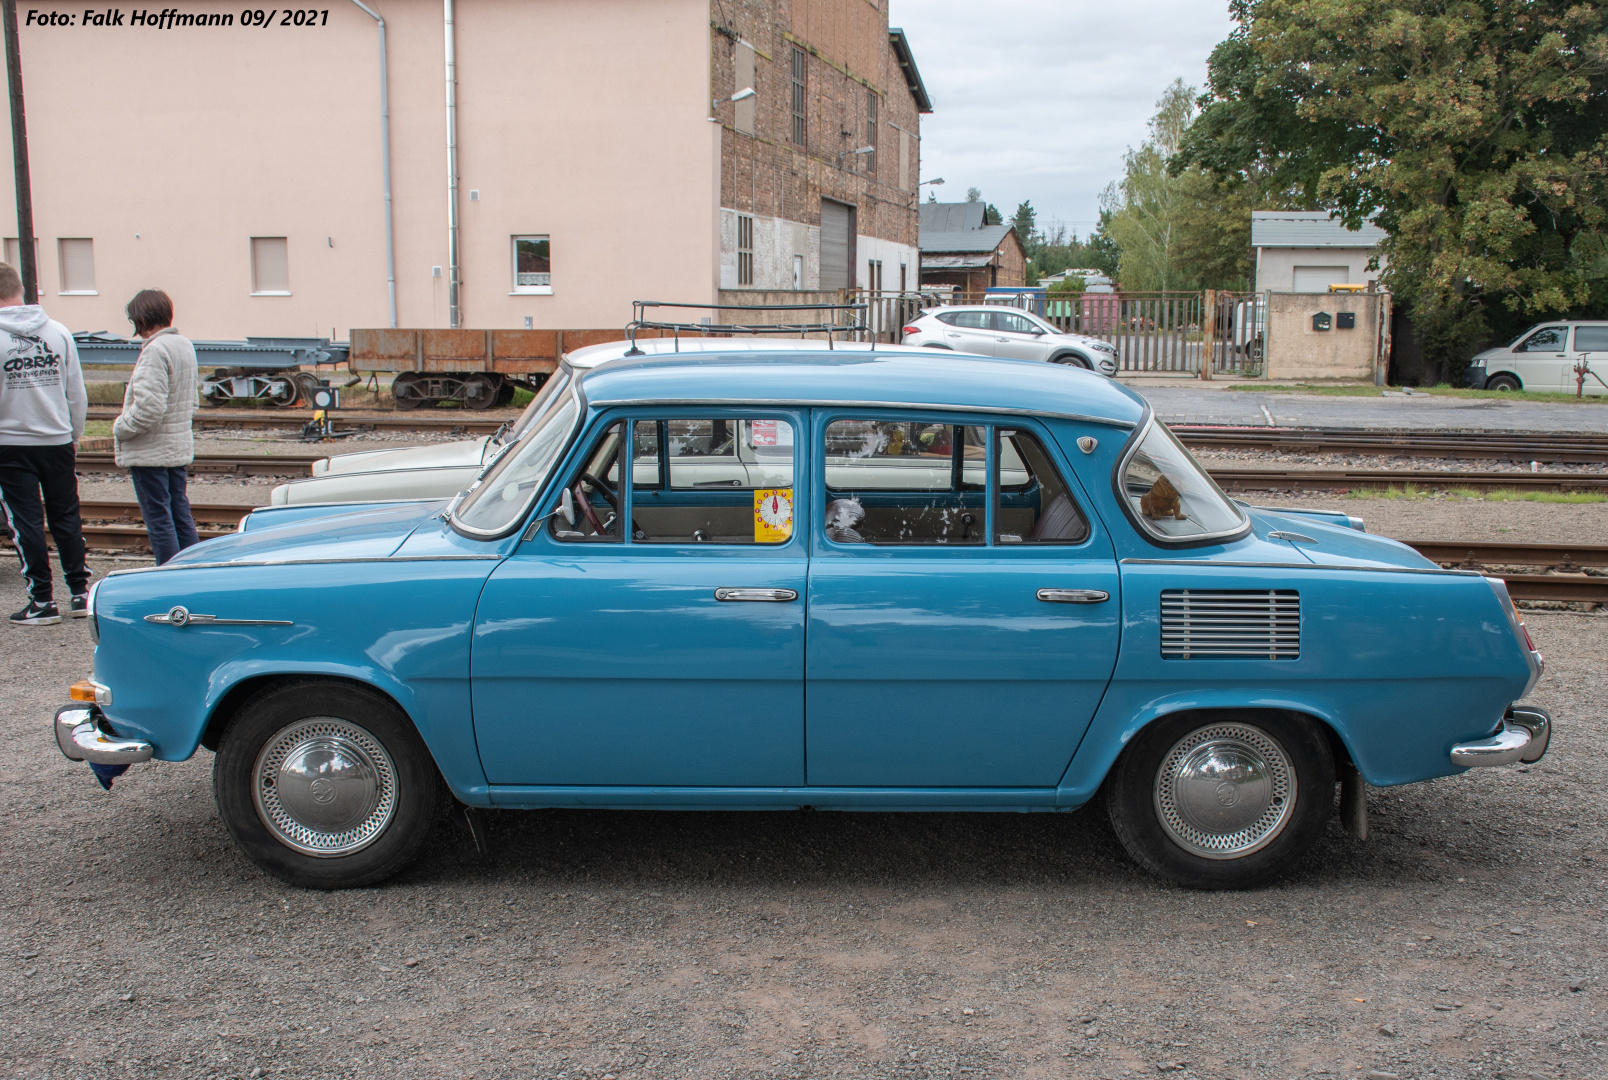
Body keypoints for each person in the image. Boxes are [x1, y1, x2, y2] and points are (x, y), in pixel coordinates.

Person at [0, 261, 91, 624]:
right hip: (57, 440)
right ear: (20, 288)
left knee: (26, 522)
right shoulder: (59, 332)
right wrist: (73, 433)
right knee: (66, 515)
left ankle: (41, 601)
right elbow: (76, 393)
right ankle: (81, 594)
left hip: (9, 443)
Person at [114, 289, 199, 565]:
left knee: (159, 517)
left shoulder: (155, 350)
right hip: (176, 446)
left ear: (141, 318)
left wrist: (121, 428)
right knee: (179, 512)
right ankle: (192, 570)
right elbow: (191, 400)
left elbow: (149, 409)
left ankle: (169, 576)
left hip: (150, 451)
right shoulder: (184, 345)